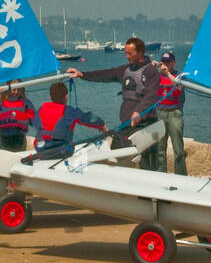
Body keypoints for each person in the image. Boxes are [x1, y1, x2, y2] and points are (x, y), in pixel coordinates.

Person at [66, 37, 160, 169]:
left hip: (145, 125)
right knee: (118, 156)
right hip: (127, 125)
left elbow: (151, 96)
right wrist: (82, 74)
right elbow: (105, 74)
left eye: (130, 53)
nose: (127, 56)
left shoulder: (151, 72)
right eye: (125, 53)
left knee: (147, 164)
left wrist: (139, 111)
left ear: (140, 52)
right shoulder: (125, 70)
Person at [31, 81, 105, 159]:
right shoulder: (70, 111)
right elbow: (89, 118)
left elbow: (35, 123)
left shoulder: (40, 109)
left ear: (50, 97)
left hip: (41, 150)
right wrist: (101, 125)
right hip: (60, 152)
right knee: (70, 145)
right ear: (66, 97)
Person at [155, 51, 187, 175]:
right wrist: (151, 66)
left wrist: (167, 73)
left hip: (175, 114)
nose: (165, 64)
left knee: (178, 149)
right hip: (160, 113)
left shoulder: (180, 75)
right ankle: (161, 173)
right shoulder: (157, 76)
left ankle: (181, 175)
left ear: (174, 62)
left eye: (168, 62)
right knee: (160, 148)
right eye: (163, 62)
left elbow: (178, 86)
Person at [0, 84, 35, 152]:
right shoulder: (0, 102)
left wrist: (26, 116)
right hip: (4, 138)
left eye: (18, 90)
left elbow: (33, 120)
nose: (16, 92)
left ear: (22, 90)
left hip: (20, 138)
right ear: (8, 90)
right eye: (14, 90)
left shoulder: (25, 102)